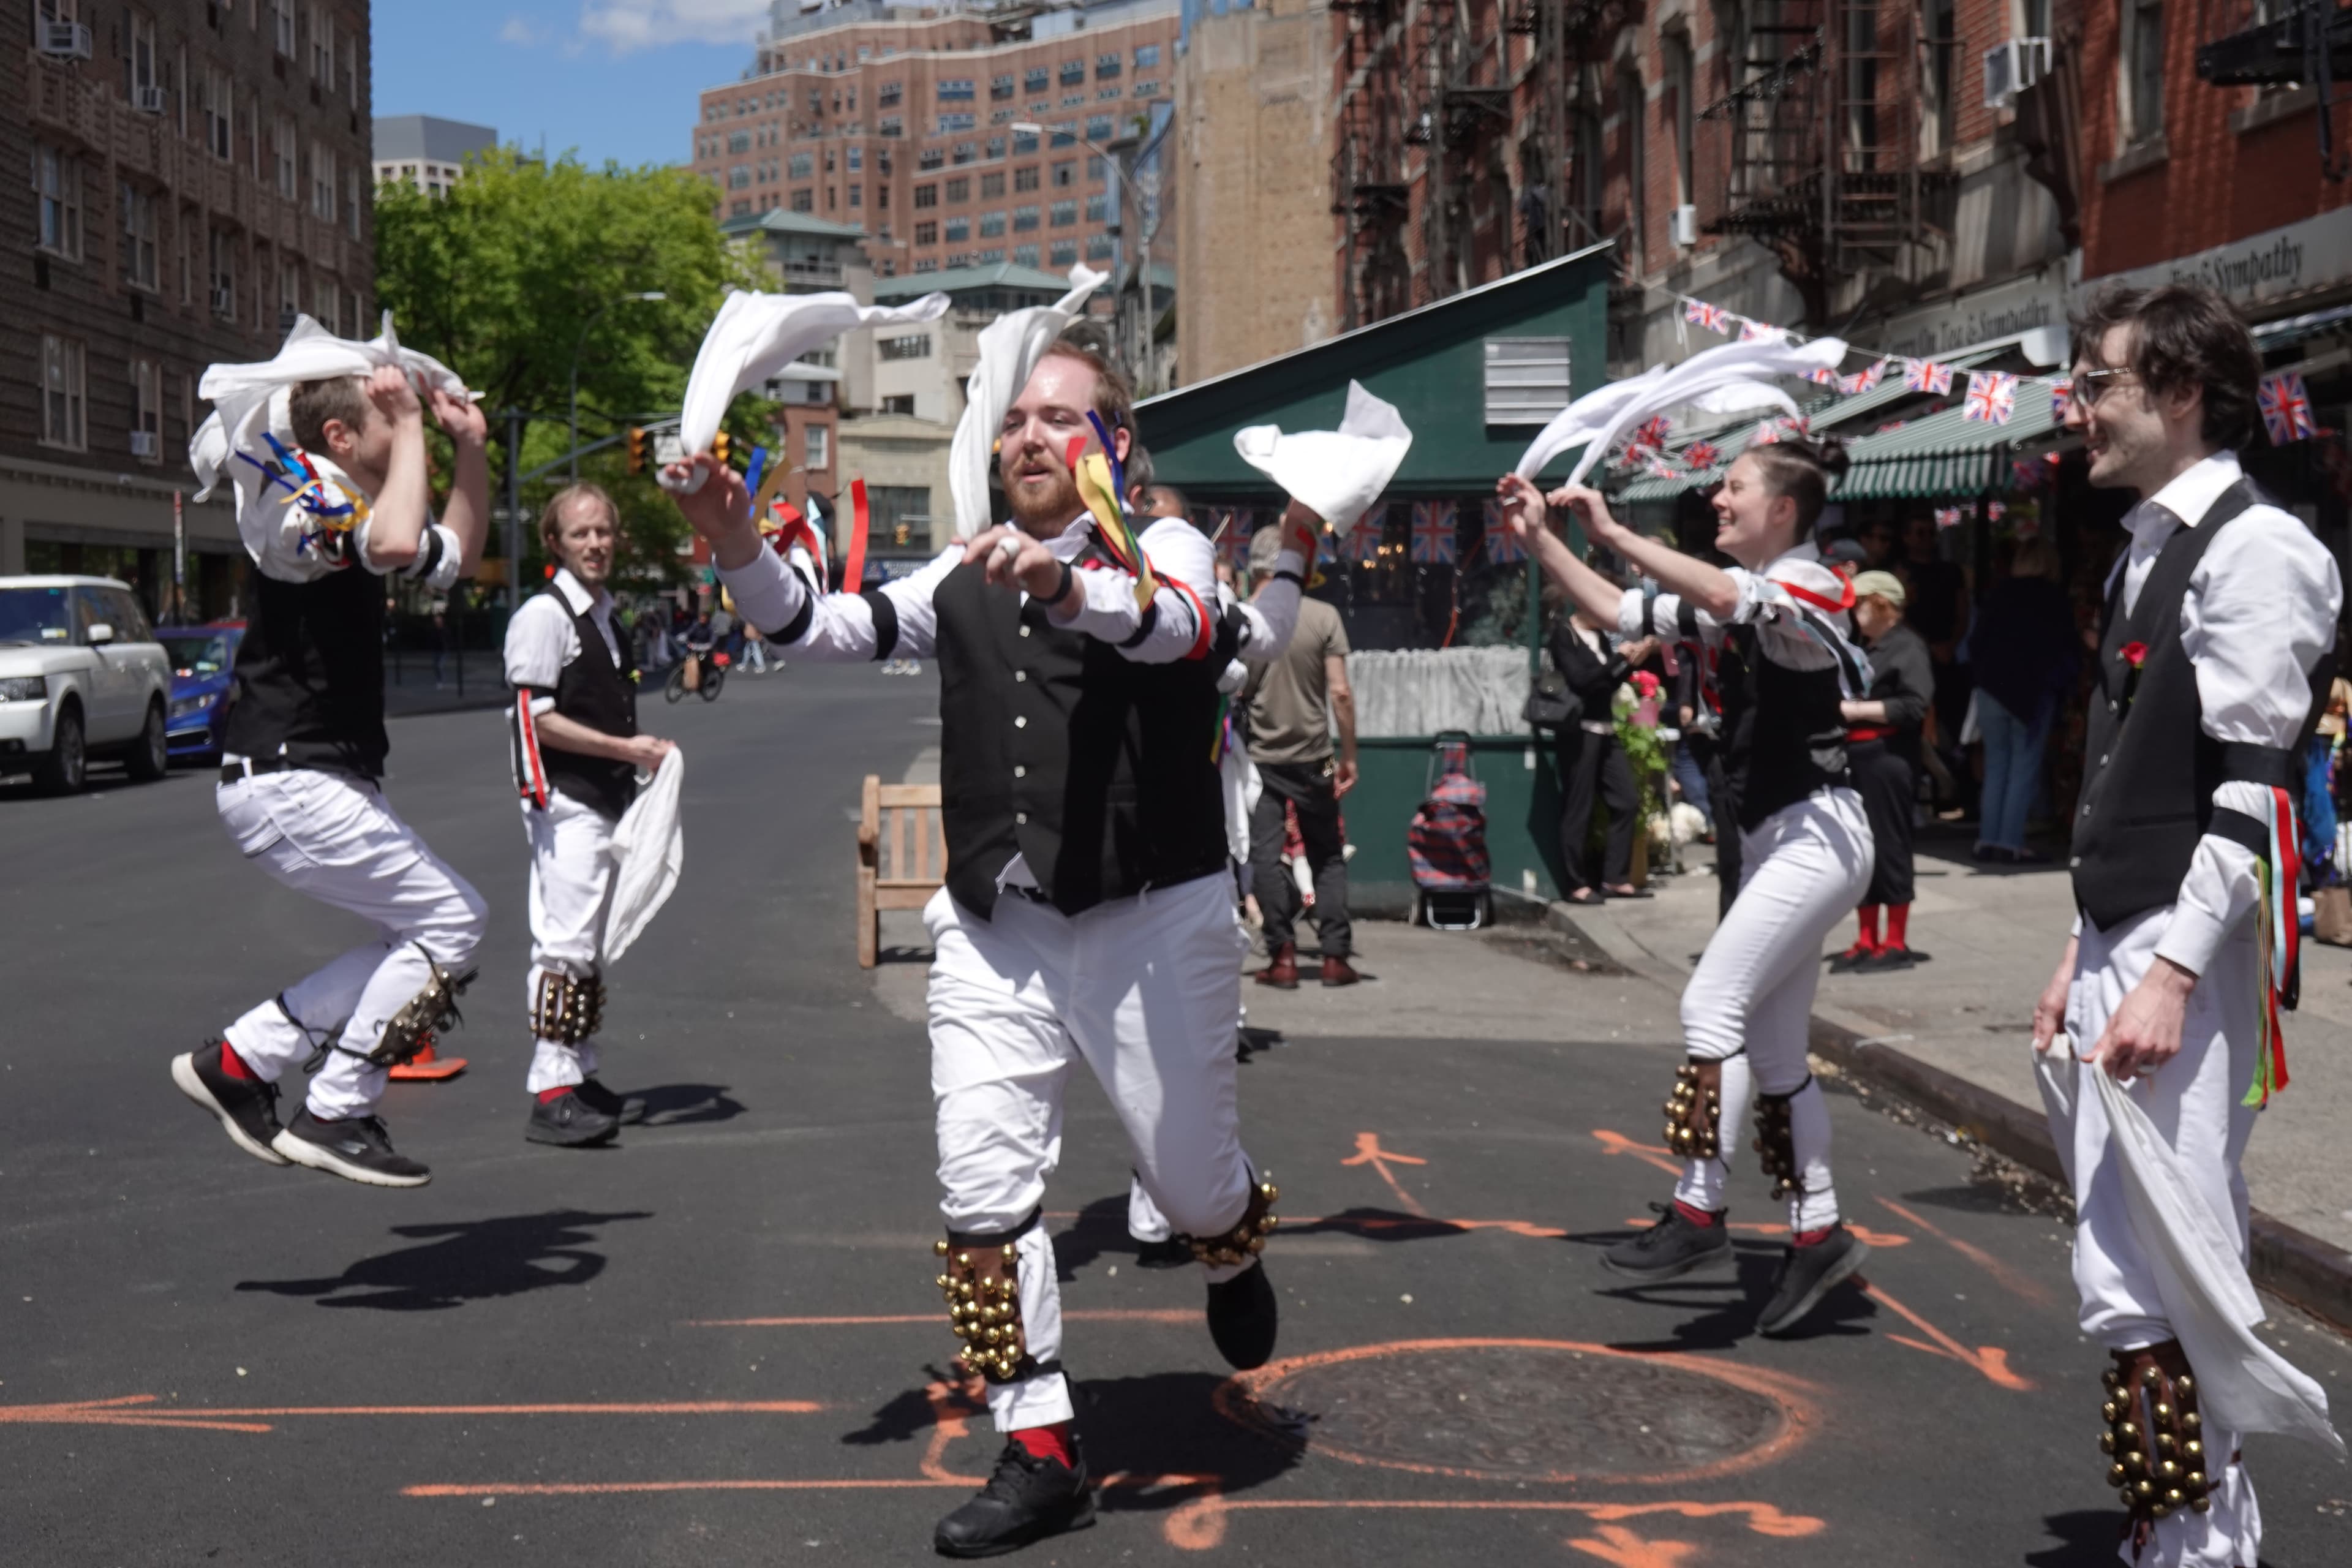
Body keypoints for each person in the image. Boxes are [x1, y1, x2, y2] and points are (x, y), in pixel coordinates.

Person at [666, 333, 1313, 1558]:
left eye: (1058, 417)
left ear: (1112, 447)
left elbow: (1180, 626)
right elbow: (813, 624)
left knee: (1183, 1183)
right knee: (981, 1186)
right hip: (996, 926)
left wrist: (1067, 584)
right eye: (1015, 417)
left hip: (1151, 913)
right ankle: (1044, 1444)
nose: (1026, 434)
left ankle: (1230, 1242)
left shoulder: (1159, 547)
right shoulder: (961, 571)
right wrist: (731, 535)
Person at [2029, 283, 2342, 1568]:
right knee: (2125, 1274)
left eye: (2101, 381)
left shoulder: (2258, 549)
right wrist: (2079, 947)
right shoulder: (2150, 542)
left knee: (2173, 1267)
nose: (2081, 407)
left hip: (2190, 955)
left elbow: (2253, 789)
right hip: (2132, 936)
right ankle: (2188, 1535)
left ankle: (2204, 1548)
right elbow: (2128, 774)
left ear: (2179, 392)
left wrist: (2161, 969)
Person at [1496, 436, 1875, 1336]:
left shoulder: (1812, 582)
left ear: (1783, 509)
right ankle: (1816, 1230)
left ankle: (1702, 1210)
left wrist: (1614, 526)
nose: (1718, 499)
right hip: (1783, 834)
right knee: (1778, 1057)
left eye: (1735, 488)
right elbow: (1624, 612)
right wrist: (1543, 538)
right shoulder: (1742, 603)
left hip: (1821, 833)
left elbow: (1714, 589)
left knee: (1711, 1003)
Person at [170, 366, 490, 1188]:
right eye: (387, 418)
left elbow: (451, 556)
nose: (402, 427)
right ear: (344, 437)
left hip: (317, 779)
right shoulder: (304, 498)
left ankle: (242, 1063)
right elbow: (387, 543)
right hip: (289, 778)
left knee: (420, 940)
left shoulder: (357, 500)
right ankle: (335, 1109)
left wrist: (469, 446)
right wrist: (414, 420)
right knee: (452, 923)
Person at [503, 484, 677, 1148]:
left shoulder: (605, 615)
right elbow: (535, 720)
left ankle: (579, 1070)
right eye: (581, 534)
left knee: (590, 947)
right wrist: (624, 749)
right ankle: (550, 1089)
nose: (596, 544)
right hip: (568, 802)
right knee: (564, 944)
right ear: (555, 543)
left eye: (603, 531)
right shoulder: (544, 617)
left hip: (605, 799)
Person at [1245, 522, 1363, 987]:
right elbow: (1341, 694)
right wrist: (1348, 756)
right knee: (1327, 853)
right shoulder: (1323, 616)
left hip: (1260, 759)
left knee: (1266, 855)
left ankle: (1283, 956)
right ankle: (1335, 956)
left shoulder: (1245, 617)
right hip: (1319, 756)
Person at [1830, 570, 1934, 971]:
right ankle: (1867, 936)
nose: (1855, 611)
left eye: (1860, 603)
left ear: (1882, 604)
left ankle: (1895, 939)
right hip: (1856, 755)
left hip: (1887, 756)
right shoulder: (1865, 646)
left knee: (1890, 843)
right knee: (1861, 848)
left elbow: (1914, 705)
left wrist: (1853, 711)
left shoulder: (1908, 647)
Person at [1969, 537, 2077, 862]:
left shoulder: (1999, 594)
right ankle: (2010, 842)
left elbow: (1977, 642)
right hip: (2031, 693)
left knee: (1997, 767)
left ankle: (1988, 839)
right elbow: (2065, 649)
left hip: (1991, 691)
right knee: (2022, 769)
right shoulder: (2053, 599)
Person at [1547, 599, 1656, 905]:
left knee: (1626, 800)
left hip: (1606, 729)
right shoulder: (1564, 635)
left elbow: (1605, 684)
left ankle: (1615, 878)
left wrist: (1631, 662)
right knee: (1578, 808)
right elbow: (1581, 681)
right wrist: (1615, 660)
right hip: (1579, 731)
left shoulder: (1601, 640)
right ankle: (1577, 884)